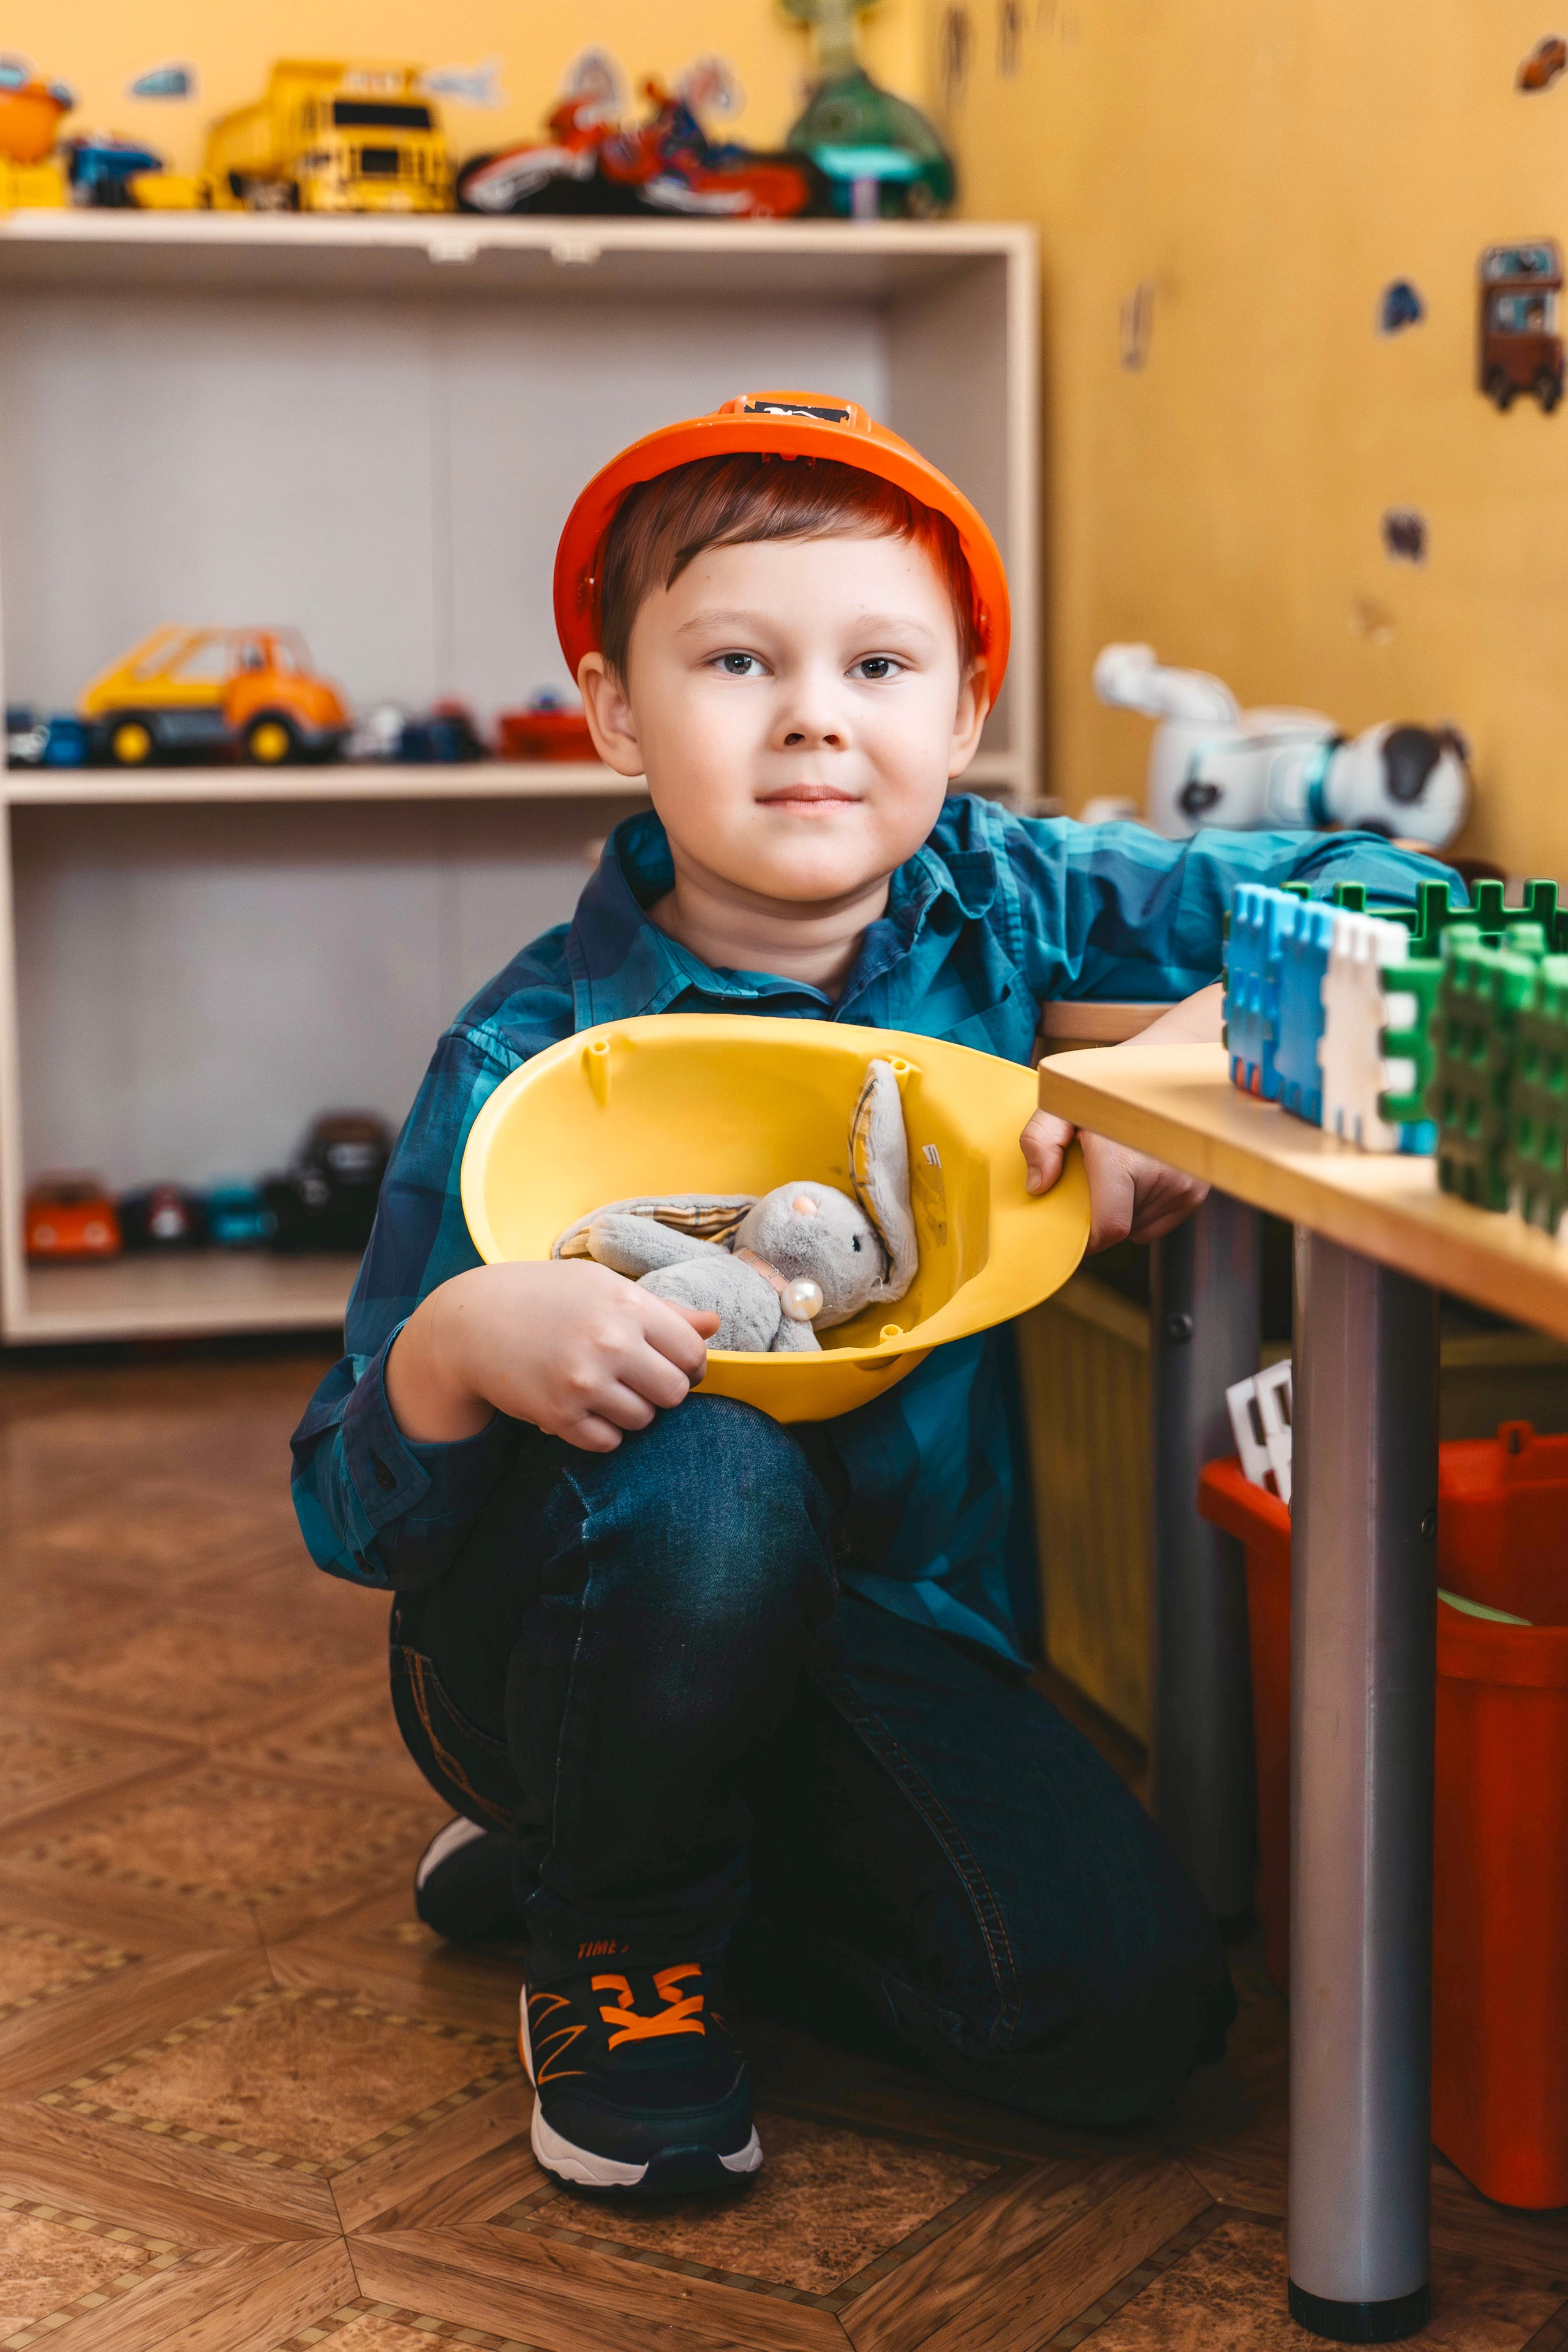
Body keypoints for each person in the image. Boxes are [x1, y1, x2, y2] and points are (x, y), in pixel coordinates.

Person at [290, 392, 1457, 2196]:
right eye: (739, 658)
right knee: (716, 1461)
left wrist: (1196, 1054)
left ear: (965, 714)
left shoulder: (1007, 903)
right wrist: (459, 1350)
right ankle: (616, 1932)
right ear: (613, 709)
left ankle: (640, 1850)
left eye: (883, 663)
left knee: (1130, 2026)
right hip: (547, 1630)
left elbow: (1401, 891)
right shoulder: (525, 1051)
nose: (819, 712)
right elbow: (342, 1502)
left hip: (889, 1631)